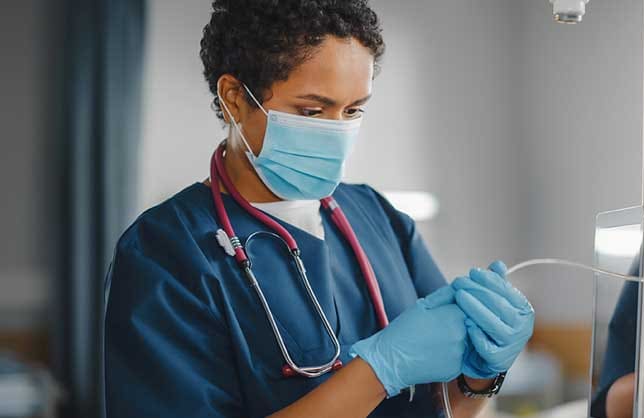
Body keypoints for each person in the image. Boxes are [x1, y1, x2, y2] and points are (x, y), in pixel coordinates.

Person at [103, 1, 534, 417]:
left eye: (353, 110)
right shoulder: (164, 254)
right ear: (235, 97)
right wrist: (380, 370)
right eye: (312, 110)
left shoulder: (376, 216)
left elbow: (441, 408)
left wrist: (479, 378)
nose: (337, 132)